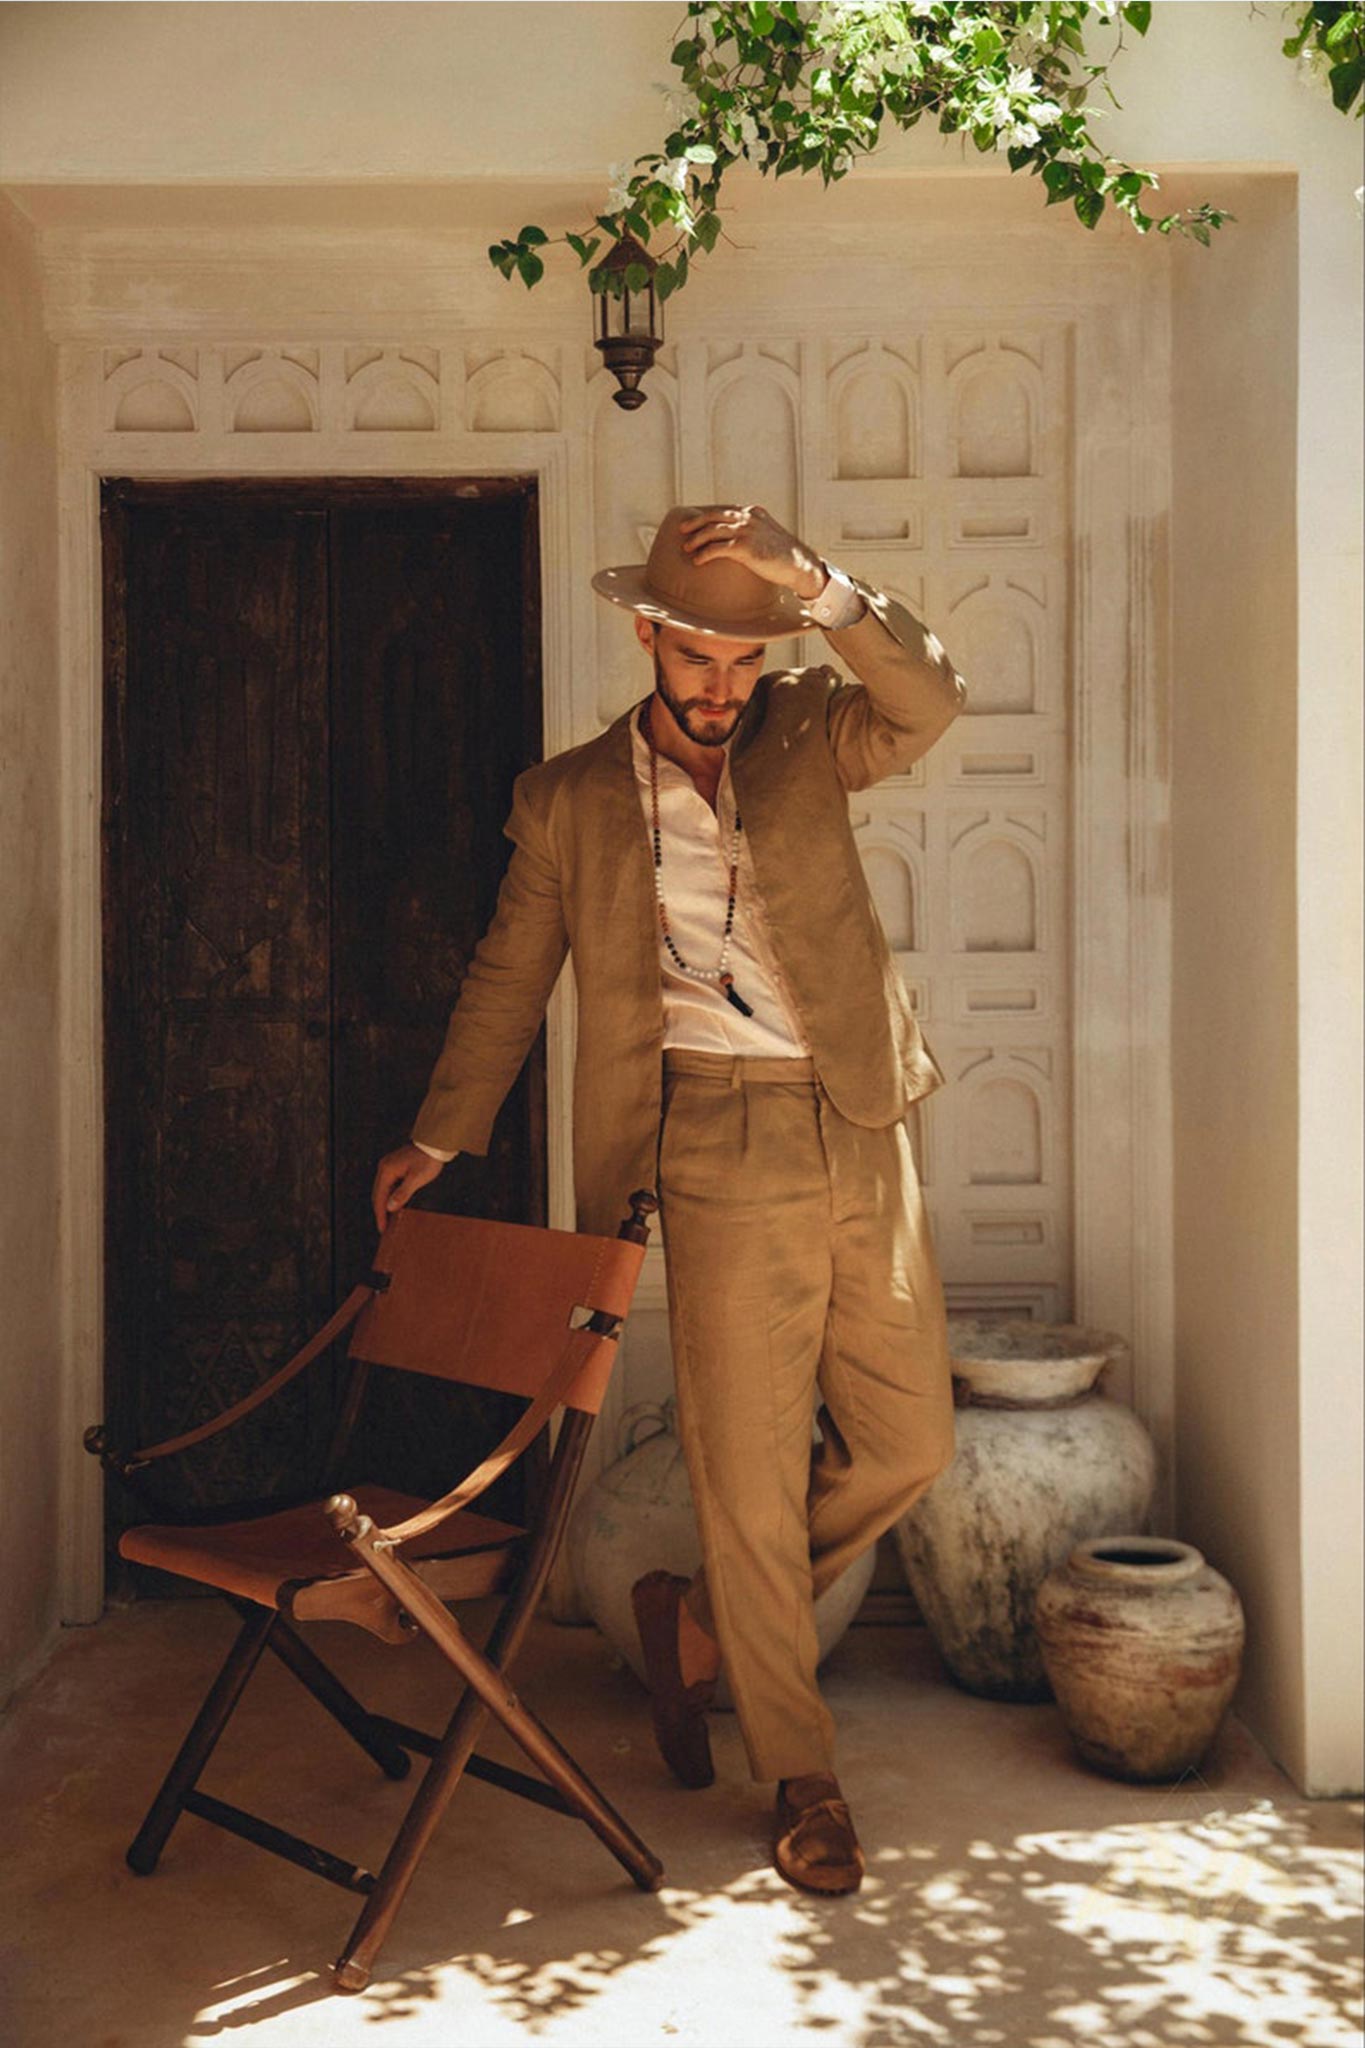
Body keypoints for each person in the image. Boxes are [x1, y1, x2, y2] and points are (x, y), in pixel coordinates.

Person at [371, 502, 967, 1896]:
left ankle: (694, 1627)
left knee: (909, 1441)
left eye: (742, 658)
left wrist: (812, 587)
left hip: (854, 1117)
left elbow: (929, 696)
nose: (719, 686)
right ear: (644, 634)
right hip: (701, 1136)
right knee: (745, 1470)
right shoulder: (569, 798)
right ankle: (800, 1773)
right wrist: (440, 1138)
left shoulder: (815, 727)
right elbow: (510, 975)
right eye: (696, 656)